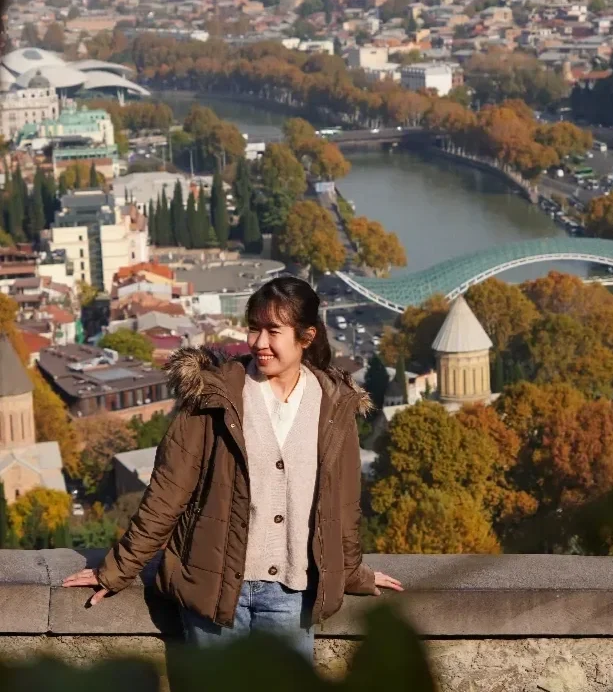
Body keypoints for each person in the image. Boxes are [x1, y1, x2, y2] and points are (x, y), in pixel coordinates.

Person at [64, 276, 402, 658]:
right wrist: (118, 570)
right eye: (253, 329)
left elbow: (342, 506)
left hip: (293, 595)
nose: (259, 343)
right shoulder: (213, 396)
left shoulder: (334, 407)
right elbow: (168, 492)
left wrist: (353, 572)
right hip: (215, 588)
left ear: (306, 336)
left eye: (273, 331)